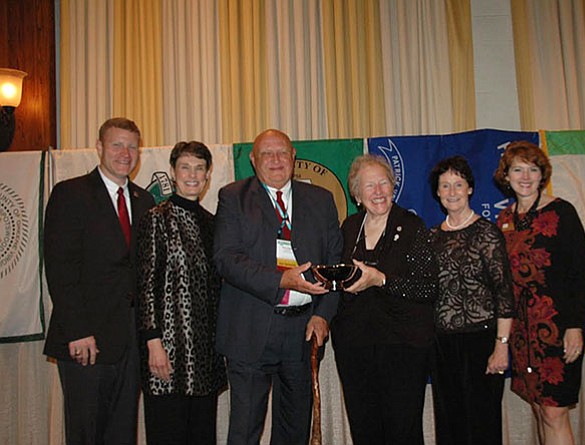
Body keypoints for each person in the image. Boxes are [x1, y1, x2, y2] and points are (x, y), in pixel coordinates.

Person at [213, 129, 342, 445]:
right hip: (250, 329)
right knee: (244, 430)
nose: (275, 160)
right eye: (266, 154)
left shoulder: (321, 200)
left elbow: (335, 262)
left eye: (282, 152)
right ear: (253, 160)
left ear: (294, 156)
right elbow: (226, 259)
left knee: (294, 430)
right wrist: (279, 279)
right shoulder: (233, 197)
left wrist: (323, 316)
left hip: (303, 331)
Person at [43, 117, 155, 444]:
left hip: (129, 343)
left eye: (132, 146)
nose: (125, 153)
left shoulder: (144, 201)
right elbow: (60, 269)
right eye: (117, 144)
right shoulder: (71, 193)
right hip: (85, 341)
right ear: (99, 148)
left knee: (123, 433)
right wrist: (78, 331)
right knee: (86, 433)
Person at [331, 154, 437, 445]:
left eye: (383, 183)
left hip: (403, 348)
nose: (378, 191)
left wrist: (382, 280)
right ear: (357, 194)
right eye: (369, 186)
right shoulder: (349, 228)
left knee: (402, 430)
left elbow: (428, 289)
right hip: (355, 348)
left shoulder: (413, 226)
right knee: (364, 429)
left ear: (393, 186)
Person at [493, 141, 585, 445]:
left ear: (542, 174)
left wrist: (576, 327)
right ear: (506, 176)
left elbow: (580, 276)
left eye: (533, 169)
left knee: (554, 413)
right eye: (517, 169)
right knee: (539, 409)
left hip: (558, 329)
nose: (525, 176)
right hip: (522, 331)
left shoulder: (562, 212)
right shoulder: (504, 221)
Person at [136, 141, 226, 445]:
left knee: (202, 435)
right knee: (168, 434)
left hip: (204, 355)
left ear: (208, 175)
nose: (192, 174)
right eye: (185, 167)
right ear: (173, 174)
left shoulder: (212, 223)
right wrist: (153, 343)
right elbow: (146, 285)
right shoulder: (157, 217)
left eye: (199, 168)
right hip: (168, 353)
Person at [427, 156, 515, 445]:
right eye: (445, 185)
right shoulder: (431, 238)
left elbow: (504, 291)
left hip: (482, 340)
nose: (452, 192)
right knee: (449, 425)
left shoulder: (486, 233)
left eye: (458, 184)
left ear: (470, 189)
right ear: (437, 192)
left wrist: (501, 347)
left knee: (482, 425)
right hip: (442, 345)